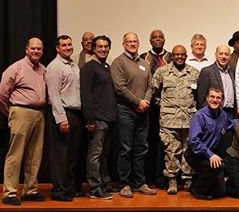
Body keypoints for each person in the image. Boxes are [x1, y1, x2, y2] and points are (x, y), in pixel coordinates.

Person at [0, 37, 47, 206]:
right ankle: (9, 192)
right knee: (15, 154)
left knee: (35, 155)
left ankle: (30, 190)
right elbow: (1, 94)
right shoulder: (16, 68)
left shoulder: (43, 69)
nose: (36, 51)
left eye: (39, 49)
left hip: (39, 114)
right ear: (26, 49)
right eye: (33, 48)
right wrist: (11, 112)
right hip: (21, 112)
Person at [110, 32, 156, 198]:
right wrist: (138, 102)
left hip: (143, 112)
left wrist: (146, 102)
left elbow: (151, 85)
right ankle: (124, 184)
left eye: (135, 41)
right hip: (126, 111)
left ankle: (139, 182)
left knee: (142, 148)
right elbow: (120, 88)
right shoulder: (119, 62)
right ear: (123, 44)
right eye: (129, 41)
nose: (132, 44)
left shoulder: (144, 63)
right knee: (126, 148)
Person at [151, 45, 200, 194]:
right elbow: (154, 91)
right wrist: (165, 105)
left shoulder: (194, 73)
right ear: (172, 56)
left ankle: (187, 180)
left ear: (186, 56)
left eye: (182, 55)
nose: (179, 57)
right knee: (171, 152)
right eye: (176, 55)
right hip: (169, 121)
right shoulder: (162, 72)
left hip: (189, 120)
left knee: (188, 151)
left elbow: (198, 95)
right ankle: (172, 180)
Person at [45, 35, 83, 202]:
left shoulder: (74, 66)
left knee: (72, 155)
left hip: (76, 114)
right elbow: (53, 95)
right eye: (64, 45)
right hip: (63, 114)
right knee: (60, 155)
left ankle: (69, 188)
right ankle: (59, 190)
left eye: (69, 44)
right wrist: (61, 119)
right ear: (57, 48)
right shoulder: (54, 67)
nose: (68, 47)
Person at [80, 35, 116, 199]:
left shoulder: (106, 66)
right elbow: (86, 95)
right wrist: (90, 119)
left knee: (103, 154)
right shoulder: (89, 68)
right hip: (97, 118)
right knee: (94, 154)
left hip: (108, 117)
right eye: (99, 47)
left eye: (106, 46)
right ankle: (94, 187)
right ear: (93, 49)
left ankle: (105, 183)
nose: (103, 49)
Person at [186, 87, 236, 199]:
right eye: (212, 97)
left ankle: (197, 180)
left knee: (220, 193)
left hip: (211, 154)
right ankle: (197, 191)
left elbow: (231, 124)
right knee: (218, 166)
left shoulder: (223, 115)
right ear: (207, 99)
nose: (215, 100)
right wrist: (210, 155)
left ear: (222, 101)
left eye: (218, 98)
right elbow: (194, 141)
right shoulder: (199, 116)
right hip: (196, 154)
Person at [139, 29, 172, 187]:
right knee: (148, 142)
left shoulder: (171, 57)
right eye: (154, 37)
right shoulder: (143, 58)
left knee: (164, 144)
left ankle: (162, 178)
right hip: (147, 106)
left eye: (160, 37)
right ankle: (148, 177)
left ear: (164, 40)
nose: (158, 39)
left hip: (166, 107)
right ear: (150, 40)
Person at [196, 44, 236, 115]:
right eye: (221, 54)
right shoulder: (207, 71)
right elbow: (201, 98)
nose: (223, 57)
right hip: (214, 113)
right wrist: (205, 115)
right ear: (216, 55)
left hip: (231, 113)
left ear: (229, 57)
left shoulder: (233, 71)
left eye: (226, 54)